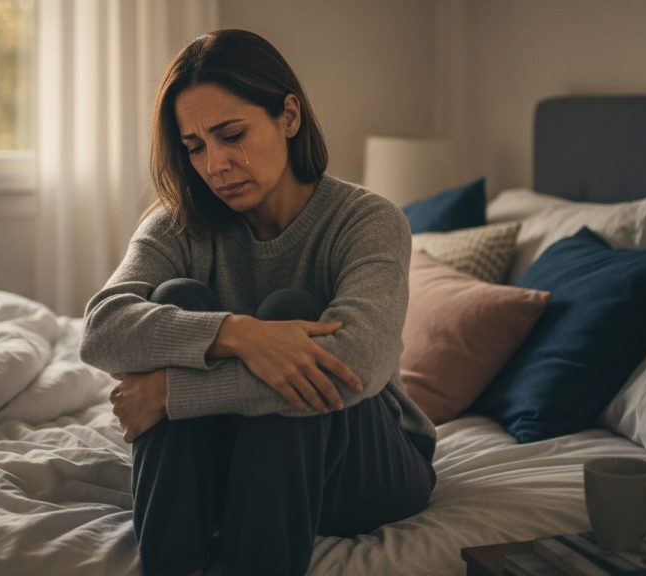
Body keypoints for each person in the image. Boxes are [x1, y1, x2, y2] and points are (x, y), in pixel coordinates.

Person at [80, 28, 436, 576]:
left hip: (367, 467)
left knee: (292, 311)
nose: (215, 164)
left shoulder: (367, 219)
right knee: (180, 298)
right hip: (236, 459)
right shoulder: (178, 224)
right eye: (195, 146)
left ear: (288, 117)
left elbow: (357, 364)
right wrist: (238, 334)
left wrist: (173, 392)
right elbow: (102, 329)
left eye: (231, 134)